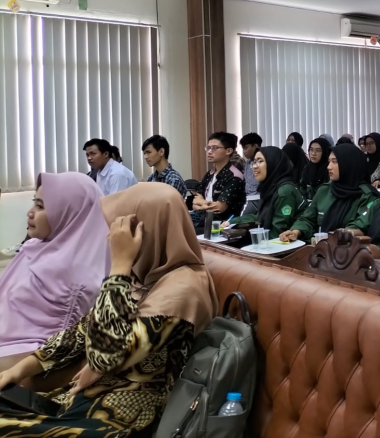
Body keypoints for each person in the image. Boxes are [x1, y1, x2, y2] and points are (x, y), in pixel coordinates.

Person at [0, 183, 218, 436]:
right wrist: (20, 369)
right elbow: (82, 331)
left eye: (119, 231)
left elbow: (104, 356)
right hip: (85, 401)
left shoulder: (184, 288)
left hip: (121, 419)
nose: (110, 238)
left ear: (146, 231)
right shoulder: (145, 277)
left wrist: (120, 266)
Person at [0, 173, 109, 370]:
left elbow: (48, 350)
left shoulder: (73, 276)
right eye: (35, 203)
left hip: (21, 363)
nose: (30, 213)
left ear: (69, 212)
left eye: (40, 206)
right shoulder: (35, 247)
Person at [281, 144, 379, 242]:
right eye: (329, 162)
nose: (328, 167)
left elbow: (360, 227)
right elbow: (308, 218)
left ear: (349, 164)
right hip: (320, 247)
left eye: (334, 162)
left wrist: (331, 237)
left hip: (348, 250)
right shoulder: (325, 190)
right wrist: (296, 231)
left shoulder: (366, 195)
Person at [228, 147, 303, 238]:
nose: (255, 166)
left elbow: (278, 232)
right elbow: (260, 217)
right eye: (254, 162)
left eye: (260, 161)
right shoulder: (270, 188)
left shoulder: (285, 191)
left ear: (273, 163)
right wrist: (231, 222)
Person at [191, 131, 246, 227]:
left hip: (222, 225)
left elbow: (219, 208)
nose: (209, 151)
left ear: (228, 151)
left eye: (214, 148)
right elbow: (195, 202)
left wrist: (201, 205)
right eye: (208, 148)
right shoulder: (209, 174)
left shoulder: (234, 176)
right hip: (204, 220)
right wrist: (202, 206)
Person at [300, 137, 331, 201]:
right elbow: (302, 189)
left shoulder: (330, 169)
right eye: (311, 150)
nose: (313, 153)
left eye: (318, 150)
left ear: (325, 152)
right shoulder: (307, 168)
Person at [239, 132, 263, 201]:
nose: (244, 151)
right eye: (243, 148)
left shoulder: (264, 162)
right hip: (248, 198)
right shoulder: (247, 163)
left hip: (259, 198)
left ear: (255, 146)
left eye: (246, 148)